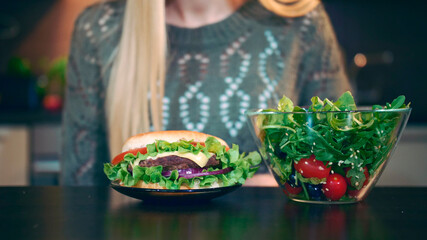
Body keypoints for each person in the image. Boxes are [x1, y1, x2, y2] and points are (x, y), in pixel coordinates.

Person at [61, 0, 352, 185]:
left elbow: (343, 163)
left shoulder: (301, 19)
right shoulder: (98, 29)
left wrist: (279, 184)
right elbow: (79, 187)